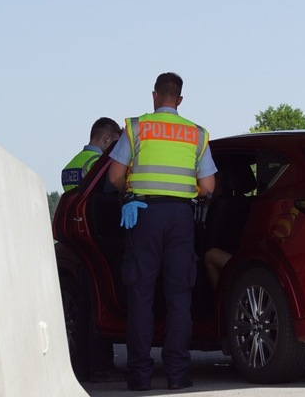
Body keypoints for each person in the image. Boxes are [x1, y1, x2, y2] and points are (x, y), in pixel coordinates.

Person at [107, 72, 216, 391]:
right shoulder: (197, 133)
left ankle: (140, 376)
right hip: (181, 218)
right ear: (180, 100)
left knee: (140, 295)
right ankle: (178, 375)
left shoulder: (137, 126)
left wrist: (128, 195)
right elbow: (208, 185)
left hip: (143, 215)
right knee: (179, 296)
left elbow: (114, 176)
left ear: (154, 95)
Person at [60, 116, 124, 384]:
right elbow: (105, 200)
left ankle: (84, 365)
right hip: (96, 240)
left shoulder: (71, 165)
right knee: (99, 302)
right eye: (116, 144)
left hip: (75, 242)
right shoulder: (95, 165)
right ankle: (100, 367)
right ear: (107, 139)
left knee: (84, 306)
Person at [61, 117, 122, 192]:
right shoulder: (99, 164)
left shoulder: (67, 168)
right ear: (106, 139)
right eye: (115, 144)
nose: (116, 149)